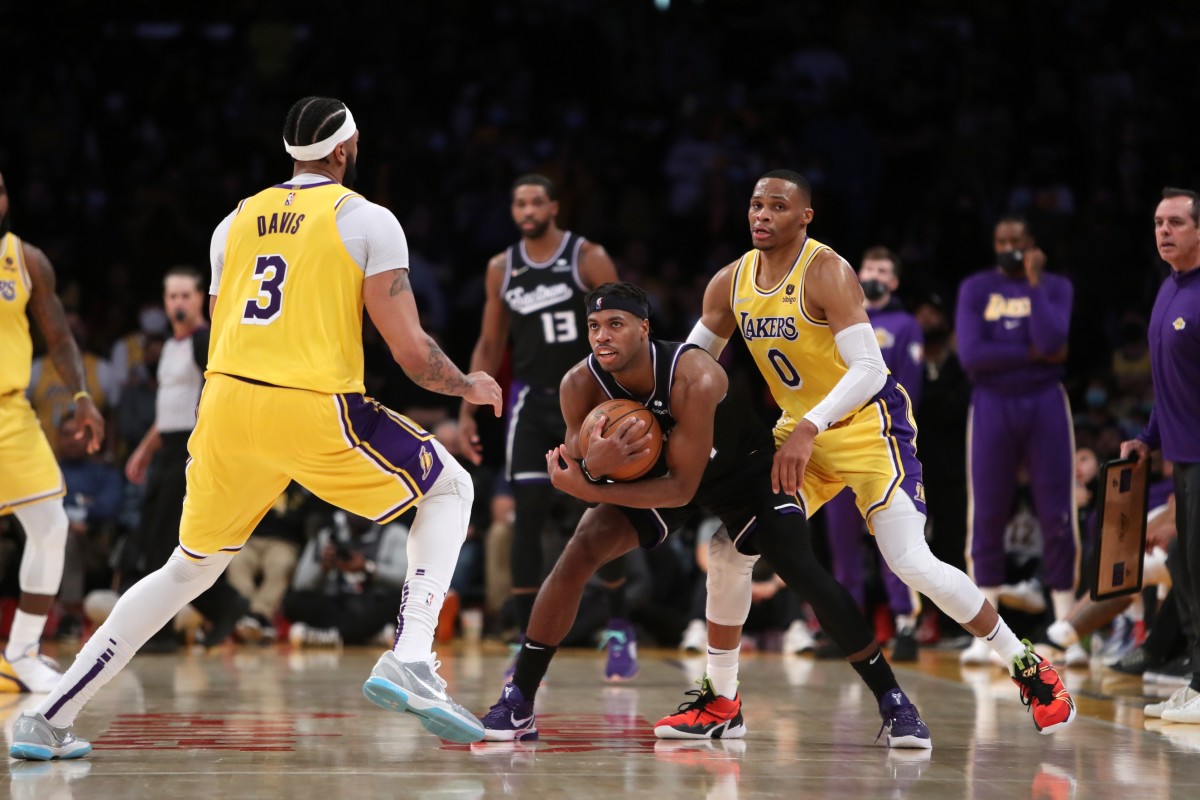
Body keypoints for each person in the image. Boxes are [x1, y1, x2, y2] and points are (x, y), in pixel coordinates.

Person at [9, 96, 503, 761]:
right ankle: (411, 655)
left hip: (224, 409)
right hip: (309, 404)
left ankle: (50, 716)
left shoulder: (233, 221)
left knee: (187, 569)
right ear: (343, 150)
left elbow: (223, 325)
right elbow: (412, 354)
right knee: (451, 488)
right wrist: (467, 384)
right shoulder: (367, 218)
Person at [686, 170, 1075, 735]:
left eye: (777, 206)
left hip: (869, 428)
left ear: (805, 217)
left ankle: (1026, 664)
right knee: (729, 550)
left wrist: (810, 426)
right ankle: (721, 699)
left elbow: (871, 369)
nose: (762, 215)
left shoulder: (828, 271)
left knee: (910, 560)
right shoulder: (730, 282)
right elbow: (691, 367)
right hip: (802, 433)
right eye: (755, 205)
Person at [480, 282, 931, 749]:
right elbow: (580, 463)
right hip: (663, 475)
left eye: (615, 324)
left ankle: (895, 702)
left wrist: (589, 483)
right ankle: (519, 701)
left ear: (644, 328)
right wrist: (592, 468)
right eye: (594, 326)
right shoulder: (579, 383)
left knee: (801, 569)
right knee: (582, 547)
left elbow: (680, 489)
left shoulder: (695, 375)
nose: (602, 336)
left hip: (742, 473)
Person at [456, 174, 629, 677]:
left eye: (536, 202)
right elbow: (491, 343)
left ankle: (620, 628)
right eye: (519, 203)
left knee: (605, 514)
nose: (527, 210)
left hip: (590, 399)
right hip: (532, 403)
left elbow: (628, 325)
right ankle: (525, 639)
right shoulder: (501, 268)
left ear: (554, 207)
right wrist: (467, 403)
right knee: (525, 517)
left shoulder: (587, 257)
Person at [954, 215, 1078, 666]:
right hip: (991, 403)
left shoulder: (1055, 286)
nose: (1008, 247)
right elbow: (972, 355)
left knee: (1057, 512)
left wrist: (1034, 282)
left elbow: (1054, 339)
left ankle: (1067, 630)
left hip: (1046, 400)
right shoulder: (975, 288)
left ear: (1032, 244)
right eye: (1001, 240)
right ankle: (983, 631)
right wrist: (1031, 354)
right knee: (986, 513)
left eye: (1017, 241)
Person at [0, 169, 106, 693]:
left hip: (10, 413)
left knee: (50, 526)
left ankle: (20, 653)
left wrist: (82, 397)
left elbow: (60, 338)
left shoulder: (26, 260)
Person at [120, 265, 248, 652]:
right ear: (165, 302)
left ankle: (163, 633)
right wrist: (144, 450)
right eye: (172, 296)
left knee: (166, 540)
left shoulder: (203, 341)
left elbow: (221, 393)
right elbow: (169, 409)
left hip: (192, 449)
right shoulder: (168, 347)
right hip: (167, 449)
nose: (178, 302)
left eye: (185, 296)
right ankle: (223, 603)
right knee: (152, 537)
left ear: (199, 300)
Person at [819, 245, 925, 661]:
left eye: (883, 270)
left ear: (894, 281)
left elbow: (909, 390)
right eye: (869, 268)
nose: (874, 275)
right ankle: (848, 630)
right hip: (835, 441)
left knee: (895, 539)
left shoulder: (905, 325)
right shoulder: (835, 315)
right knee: (842, 543)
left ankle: (906, 625)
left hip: (880, 443)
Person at [1120, 187, 1200, 723]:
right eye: (1157, 222)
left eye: (1176, 222)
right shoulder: (1168, 288)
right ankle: (1197, 682)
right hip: (1182, 458)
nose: (1164, 231)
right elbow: (1169, 383)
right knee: (1186, 571)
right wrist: (1148, 438)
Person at [285, 510, 410, 648]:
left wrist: (367, 567)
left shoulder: (394, 533)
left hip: (374, 603)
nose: (358, 515)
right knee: (293, 601)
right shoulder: (328, 533)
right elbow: (300, 584)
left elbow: (407, 579)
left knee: (401, 602)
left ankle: (333, 636)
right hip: (339, 604)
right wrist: (323, 568)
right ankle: (367, 635)